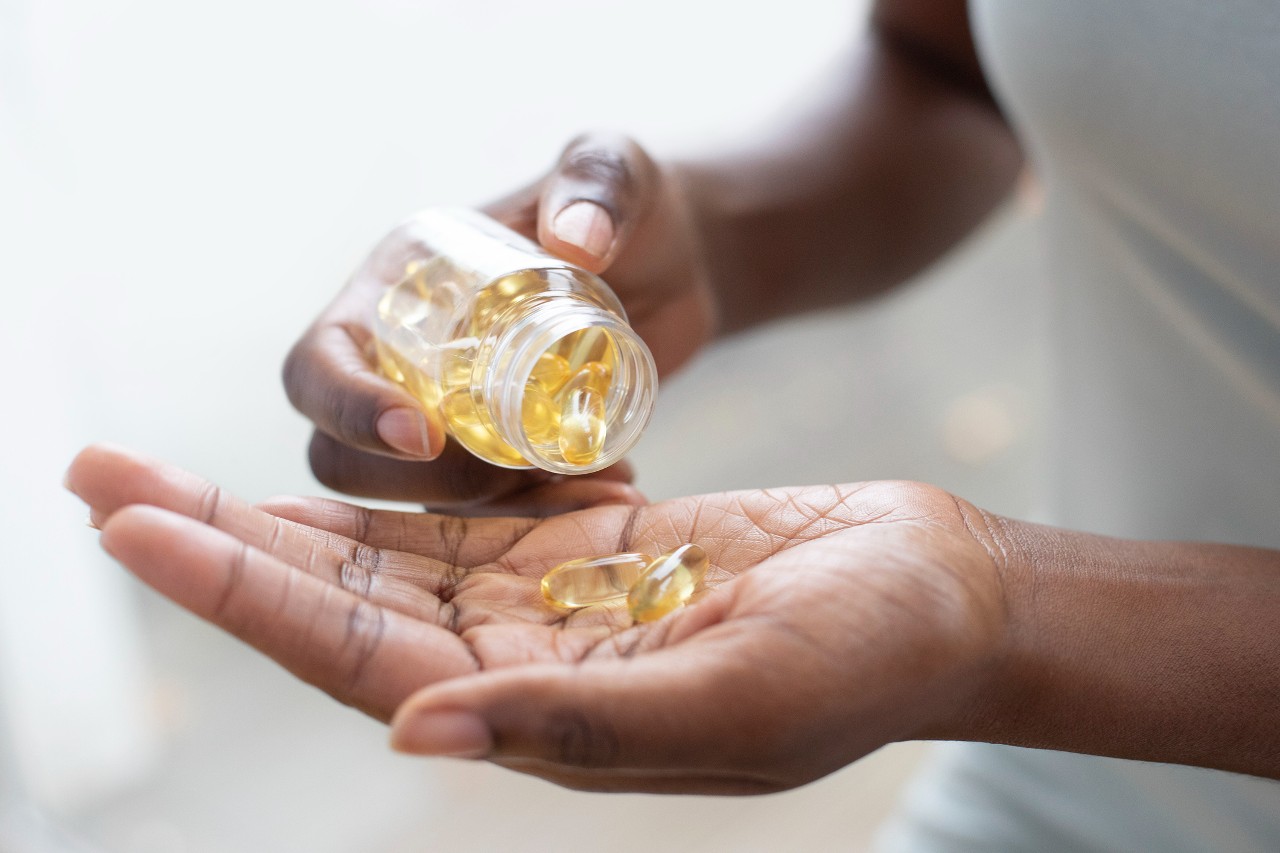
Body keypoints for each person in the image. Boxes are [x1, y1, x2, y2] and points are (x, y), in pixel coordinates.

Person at [66, 0, 1279, 848]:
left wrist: (1025, 618)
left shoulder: (1019, 629)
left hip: (1111, 701)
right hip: (1069, 788)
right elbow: (955, 73)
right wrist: (714, 228)